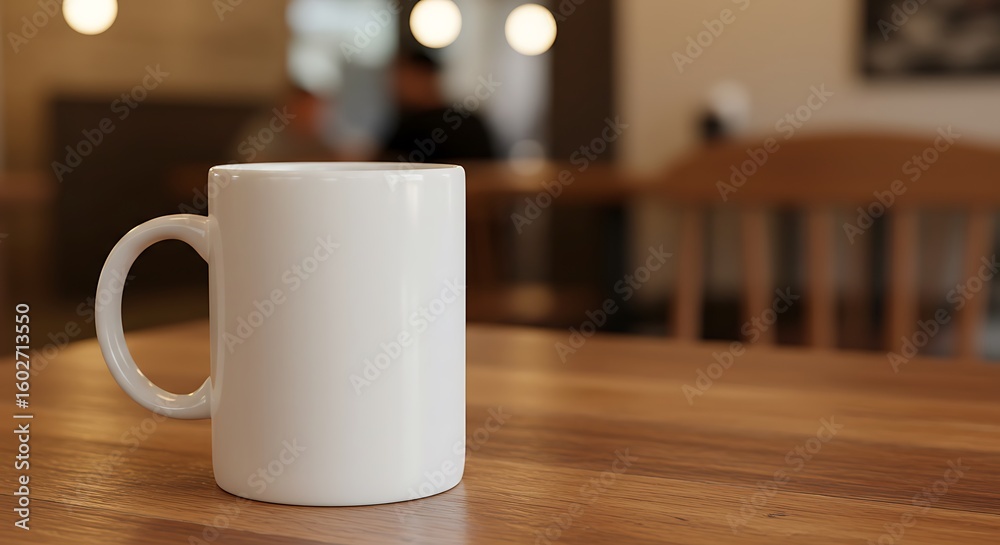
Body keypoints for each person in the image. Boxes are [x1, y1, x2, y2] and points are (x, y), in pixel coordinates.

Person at [382, 51, 496, 162]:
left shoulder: (413, 126)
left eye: (402, 78)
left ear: (426, 76)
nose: (395, 87)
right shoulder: (471, 119)